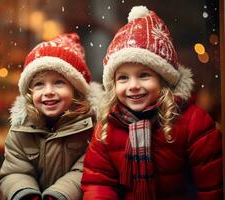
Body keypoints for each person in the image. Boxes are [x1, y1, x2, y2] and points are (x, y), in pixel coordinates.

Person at [81, 5, 222, 200]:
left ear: (164, 79)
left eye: (144, 75)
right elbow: (98, 182)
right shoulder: (107, 126)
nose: (133, 85)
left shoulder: (192, 123)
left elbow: (211, 185)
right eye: (123, 78)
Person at [0, 33, 102, 200]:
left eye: (58, 82)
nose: (48, 92)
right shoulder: (21, 129)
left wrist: (58, 195)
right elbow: (15, 171)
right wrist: (25, 193)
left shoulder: (92, 127)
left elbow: (86, 169)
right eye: (39, 84)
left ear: (76, 89)